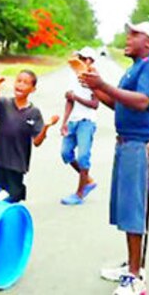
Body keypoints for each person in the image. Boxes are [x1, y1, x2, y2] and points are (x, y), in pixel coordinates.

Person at [82, 21, 149, 295]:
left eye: (135, 34)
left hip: (142, 145)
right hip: (128, 142)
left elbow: (141, 101)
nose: (128, 38)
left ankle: (135, 277)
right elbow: (120, 104)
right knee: (126, 206)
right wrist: (96, 89)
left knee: (134, 208)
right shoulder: (134, 68)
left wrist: (103, 83)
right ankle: (133, 266)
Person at [0, 70, 60, 203]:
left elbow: (37, 141)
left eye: (26, 83)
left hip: (16, 165)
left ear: (33, 89)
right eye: (18, 81)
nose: (20, 85)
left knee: (11, 199)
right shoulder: (3, 103)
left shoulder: (34, 112)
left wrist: (46, 127)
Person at [60, 46, 101, 205]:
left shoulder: (94, 78)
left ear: (90, 61)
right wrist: (64, 121)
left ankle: (79, 194)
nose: (81, 62)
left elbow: (95, 104)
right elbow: (69, 100)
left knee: (83, 157)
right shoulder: (73, 76)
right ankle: (88, 180)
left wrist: (75, 97)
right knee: (65, 153)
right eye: (80, 58)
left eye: (83, 59)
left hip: (87, 121)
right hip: (73, 120)